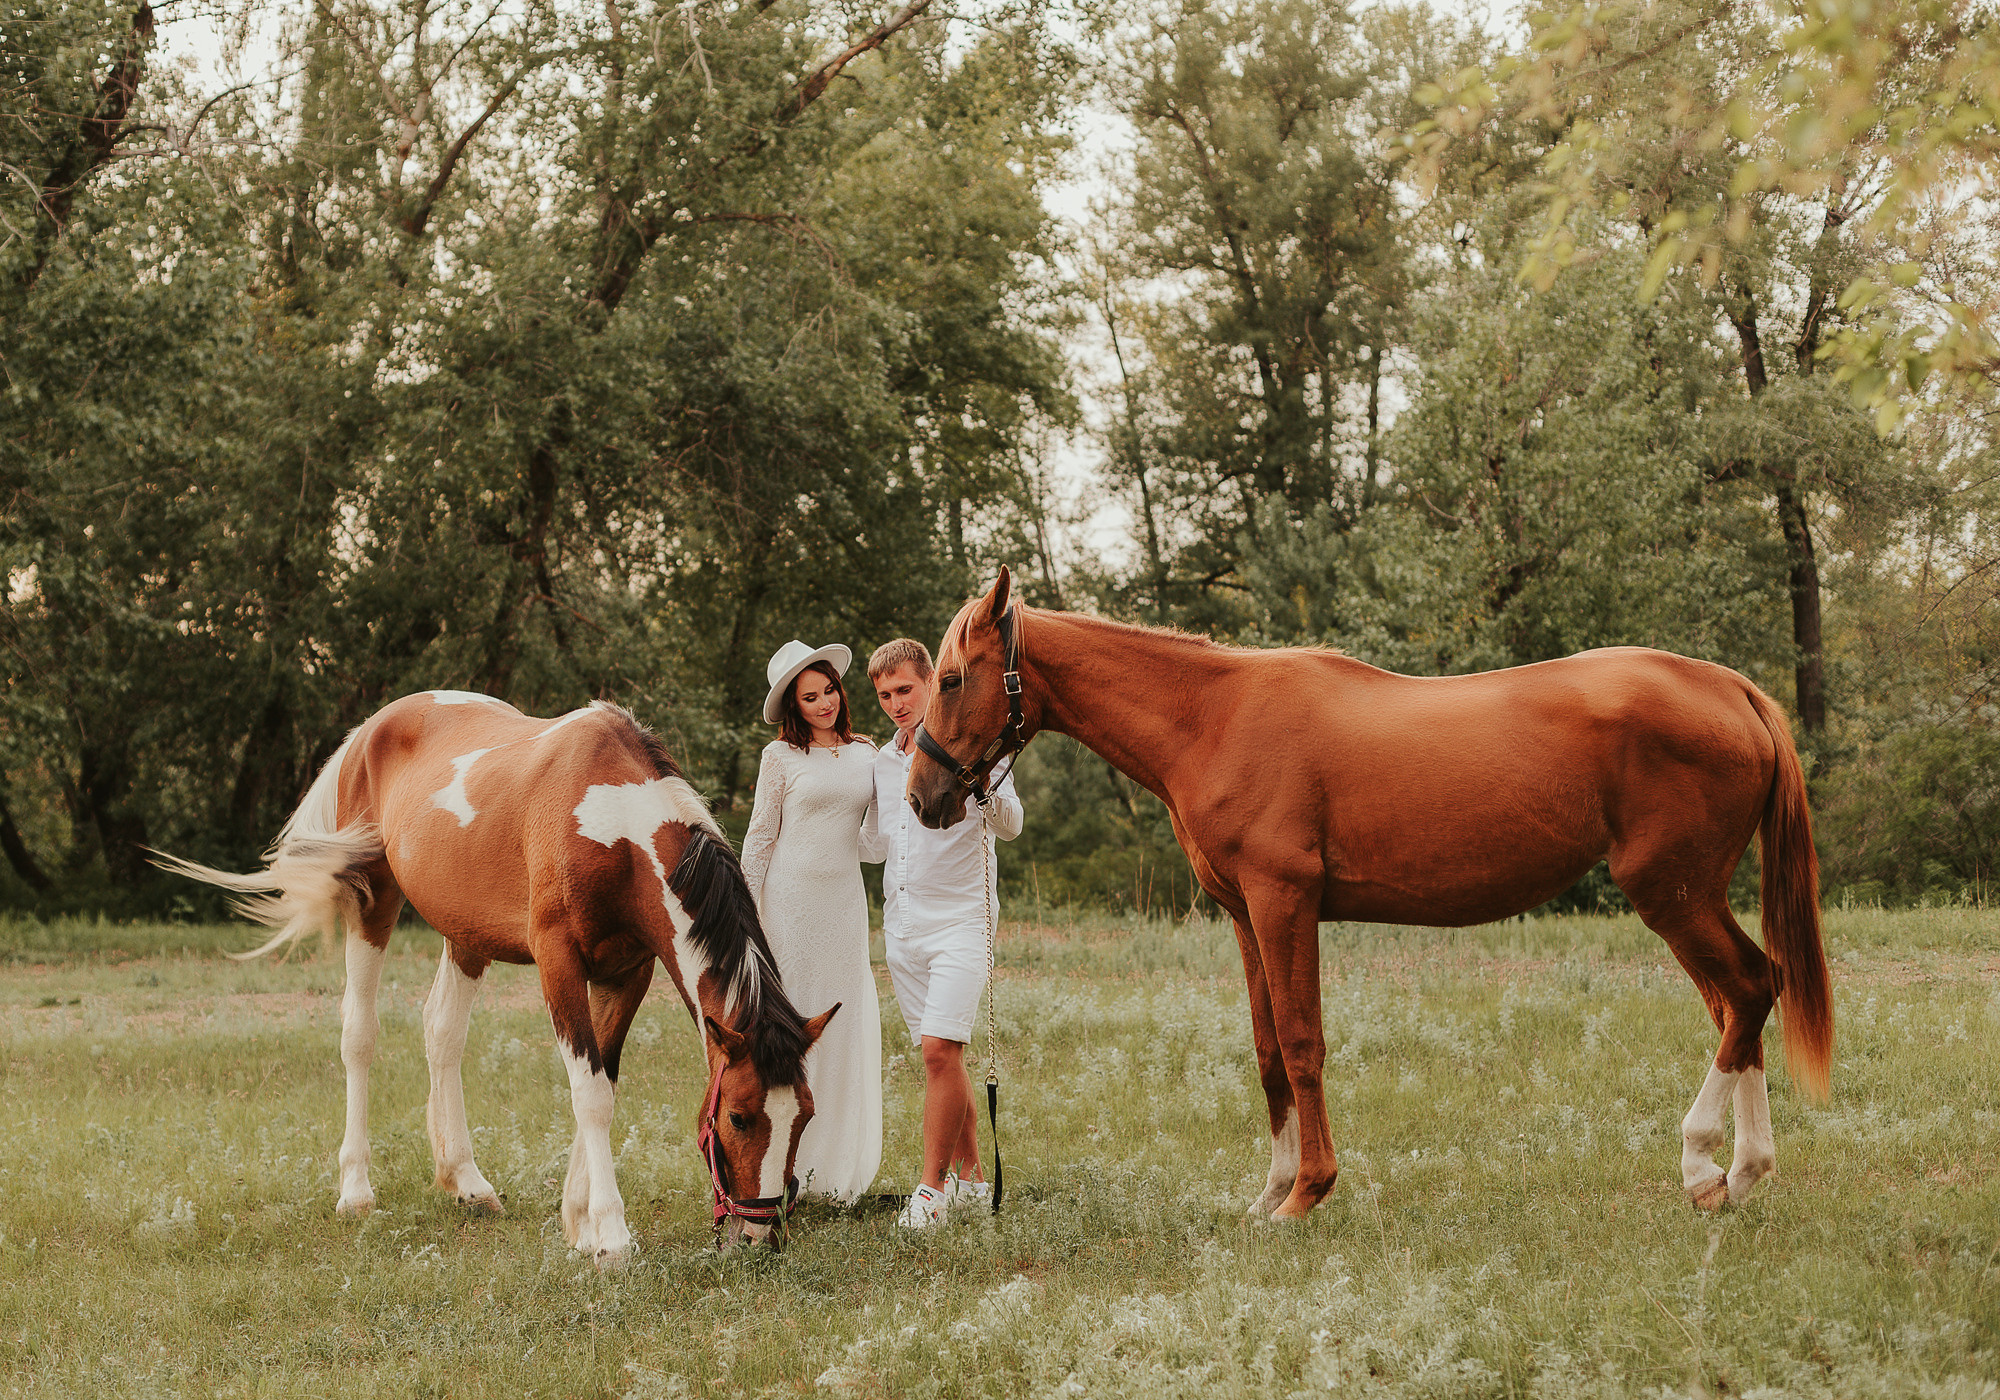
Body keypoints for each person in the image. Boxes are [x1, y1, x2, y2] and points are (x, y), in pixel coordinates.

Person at [864, 637, 1023, 1229]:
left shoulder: (972, 741)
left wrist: (981, 785)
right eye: (884, 695)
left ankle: (929, 1191)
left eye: (905, 689)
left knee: (939, 1050)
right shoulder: (882, 761)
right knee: (942, 1061)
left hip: (963, 919)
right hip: (901, 925)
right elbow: (878, 842)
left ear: (931, 680)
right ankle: (974, 1180)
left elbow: (1012, 824)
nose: (896, 704)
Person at [739, 639, 887, 1203]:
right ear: (793, 706)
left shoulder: (868, 754)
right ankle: (784, 1166)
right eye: (810, 696)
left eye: (829, 691)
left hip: (844, 905)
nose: (824, 703)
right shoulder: (779, 759)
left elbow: (872, 845)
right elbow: (759, 840)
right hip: (789, 904)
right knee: (793, 1025)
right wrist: (748, 921)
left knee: (842, 1023)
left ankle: (836, 1167)